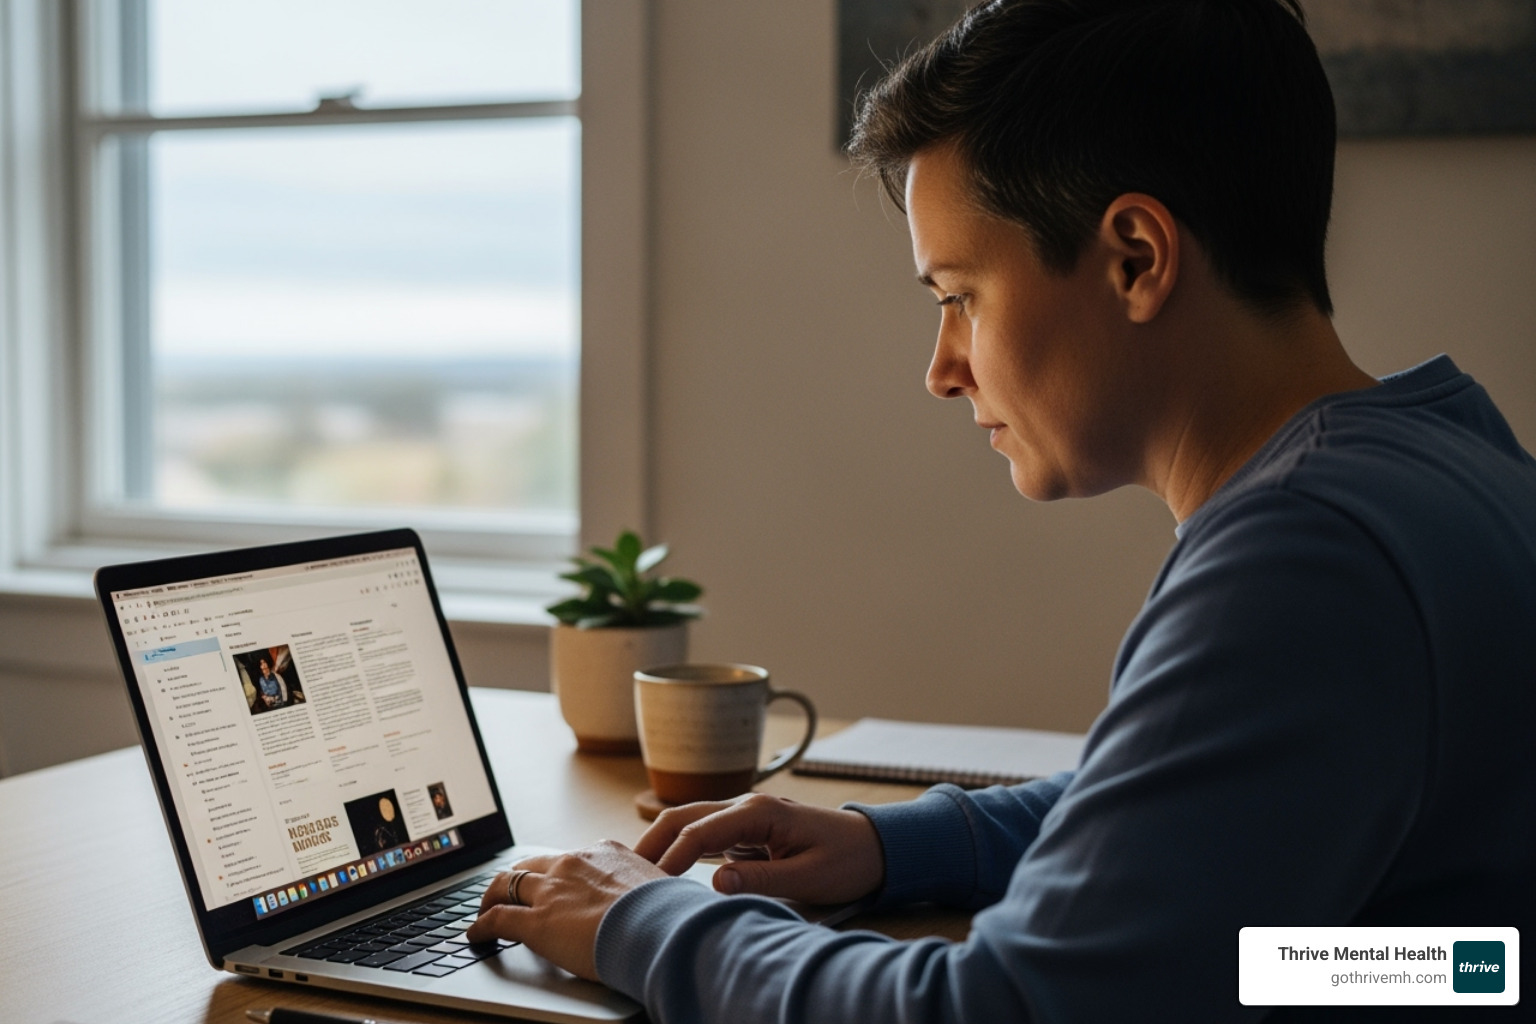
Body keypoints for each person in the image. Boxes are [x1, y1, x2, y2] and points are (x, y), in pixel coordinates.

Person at [466, 1, 1536, 1020]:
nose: (941, 368)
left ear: (1136, 259)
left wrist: (640, 923)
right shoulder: (1441, 454)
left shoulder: (1304, 556)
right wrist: (901, 848)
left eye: (960, 296)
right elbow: (1235, 853)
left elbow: (1015, 1008)